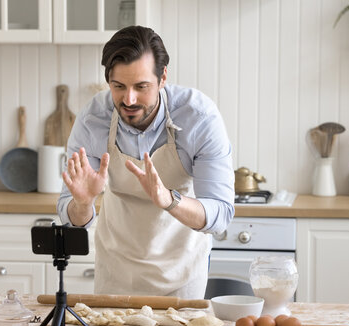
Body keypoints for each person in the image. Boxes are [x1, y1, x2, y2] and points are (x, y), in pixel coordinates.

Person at [57, 25, 234, 300]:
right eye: (118, 86)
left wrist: (168, 199)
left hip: (182, 273)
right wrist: (82, 203)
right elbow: (72, 218)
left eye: (141, 87)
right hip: (115, 270)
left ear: (163, 77)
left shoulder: (199, 117)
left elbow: (220, 215)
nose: (129, 99)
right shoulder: (94, 119)